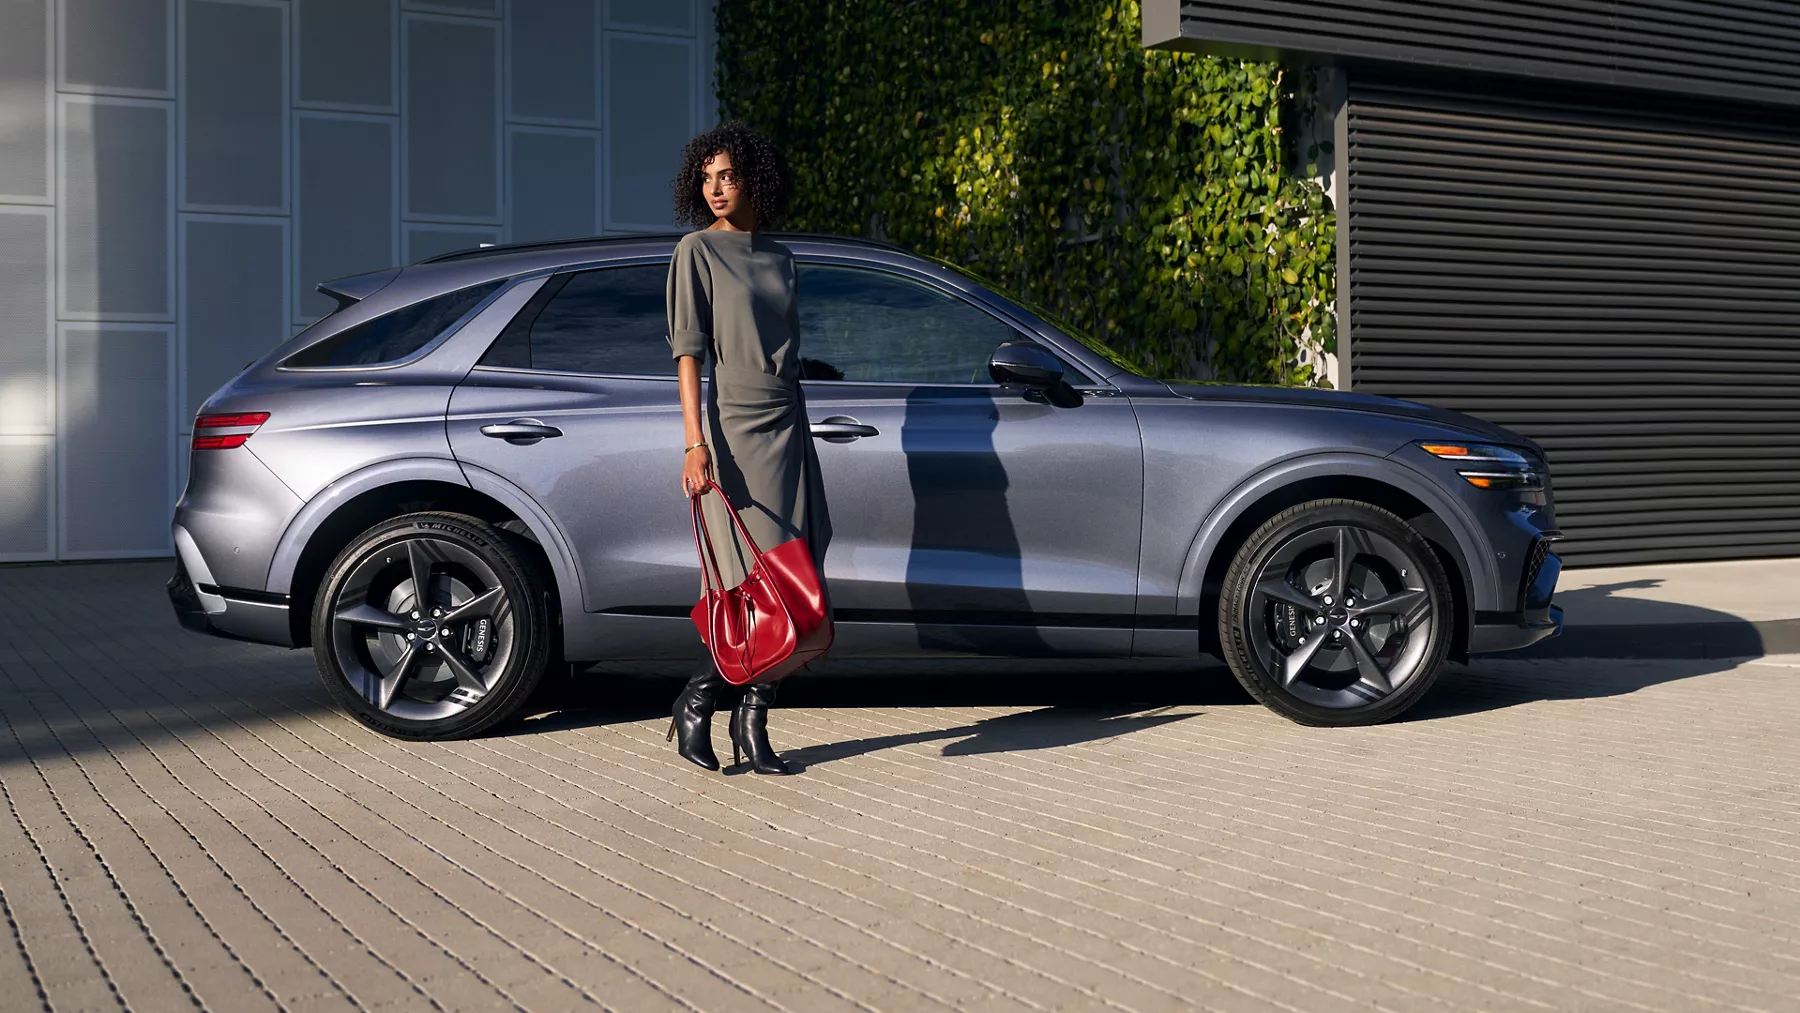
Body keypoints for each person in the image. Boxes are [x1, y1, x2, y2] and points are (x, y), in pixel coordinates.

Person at [663, 122, 831, 775]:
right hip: (731, 430)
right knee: (744, 584)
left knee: (791, 582)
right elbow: (687, 354)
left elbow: (786, 350)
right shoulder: (696, 251)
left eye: (727, 176)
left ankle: (753, 723)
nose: (716, 189)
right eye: (707, 179)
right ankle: (698, 700)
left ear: (753, 179)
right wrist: (694, 443)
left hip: (787, 425)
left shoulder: (782, 258)